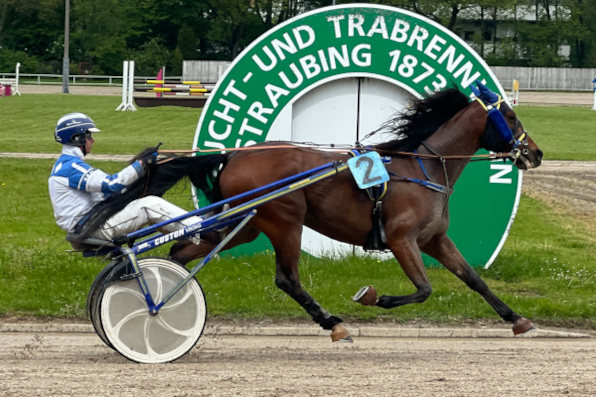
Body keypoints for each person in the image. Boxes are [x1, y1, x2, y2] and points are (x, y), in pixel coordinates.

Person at [48, 112, 202, 246]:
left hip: (91, 223)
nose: (92, 140)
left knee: (143, 203)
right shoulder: (71, 168)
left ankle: (191, 239)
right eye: (89, 136)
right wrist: (141, 164)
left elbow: (108, 193)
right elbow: (113, 184)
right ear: (77, 138)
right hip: (93, 228)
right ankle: (201, 229)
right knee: (150, 205)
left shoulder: (66, 165)